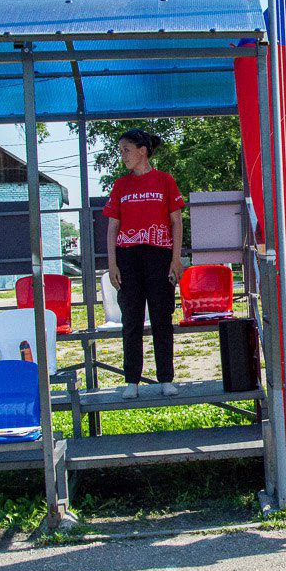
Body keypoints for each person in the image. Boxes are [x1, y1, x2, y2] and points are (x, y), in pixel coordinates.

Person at [103, 129, 185, 400]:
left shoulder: (165, 180)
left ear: (142, 151)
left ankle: (166, 378)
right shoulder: (120, 185)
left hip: (159, 255)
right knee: (131, 320)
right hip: (128, 257)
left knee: (162, 317)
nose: (123, 156)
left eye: (126, 150)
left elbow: (176, 222)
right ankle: (132, 380)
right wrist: (112, 264)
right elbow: (112, 227)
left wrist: (175, 259)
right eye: (121, 151)